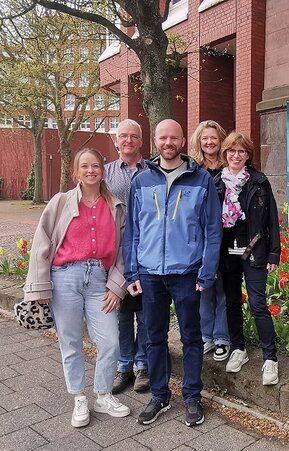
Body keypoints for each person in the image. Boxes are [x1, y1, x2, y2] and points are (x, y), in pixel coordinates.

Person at [124, 119, 222, 427]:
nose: (168, 142)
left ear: (182, 141)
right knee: (154, 337)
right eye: (163, 137)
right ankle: (160, 395)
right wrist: (132, 272)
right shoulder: (140, 181)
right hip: (150, 273)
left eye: (174, 138)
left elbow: (212, 229)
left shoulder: (201, 179)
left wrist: (206, 272)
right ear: (155, 141)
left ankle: (192, 396)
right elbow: (133, 230)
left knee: (191, 337)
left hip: (187, 273)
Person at [24, 148, 131, 428]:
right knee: (70, 343)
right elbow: (41, 244)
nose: (91, 170)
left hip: (99, 279)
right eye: (85, 166)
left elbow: (124, 252)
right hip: (64, 278)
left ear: (103, 170)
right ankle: (79, 397)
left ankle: (103, 394)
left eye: (96, 165)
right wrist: (40, 288)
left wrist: (116, 286)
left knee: (110, 340)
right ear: (76, 172)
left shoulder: (116, 207)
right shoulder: (60, 202)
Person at [214, 132, 281, 385]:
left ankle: (270, 358)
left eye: (241, 151)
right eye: (232, 151)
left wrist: (274, 253)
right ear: (225, 154)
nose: (236, 155)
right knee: (231, 302)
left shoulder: (259, 181)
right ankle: (239, 349)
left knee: (257, 304)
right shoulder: (216, 183)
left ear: (248, 155)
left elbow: (272, 220)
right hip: (226, 252)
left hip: (255, 252)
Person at [105, 119, 150, 395]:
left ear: (141, 141)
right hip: (116, 253)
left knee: (146, 310)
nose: (128, 140)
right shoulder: (106, 173)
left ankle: (143, 364)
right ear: (116, 141)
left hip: (147, 251)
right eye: (123, 136)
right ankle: (125, 365)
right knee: (121, 312)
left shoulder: (154, 171)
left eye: (134, 136)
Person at [189, 120, 230, 362]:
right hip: (200, 235)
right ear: (199, 141)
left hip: (226, 235)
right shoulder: (194, 169)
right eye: (205, 138)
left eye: (214, 138)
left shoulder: (230, 168)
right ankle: (207, 335)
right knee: (203, 287)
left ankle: (222, 337)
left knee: (223, 288)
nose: (210, 142)